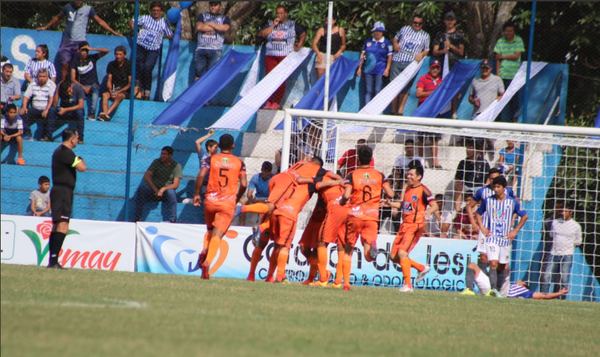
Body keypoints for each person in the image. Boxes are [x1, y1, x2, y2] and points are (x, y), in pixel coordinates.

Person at [339, 145, 395, 290]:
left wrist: (342, 202)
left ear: (358, 159)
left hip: (355, 215)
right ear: (371, 160)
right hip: (372, 217)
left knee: (348, 250)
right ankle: (372, 252)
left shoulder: (352, 175)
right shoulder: (380, 175)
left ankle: (346, 284)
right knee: (367, 255)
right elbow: (390, 194)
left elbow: (346, 195)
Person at [194, 134, 247, 280]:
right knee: (217, 235)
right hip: (227, 203)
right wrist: (236, 197)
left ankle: (205, 248)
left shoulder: (211, 159)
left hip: (210, 201)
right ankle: (207, 262)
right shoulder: (239, 162)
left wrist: (196, 194)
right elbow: (243, 184)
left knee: (210, 230)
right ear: (233, 146)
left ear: (220, 146)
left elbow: (201, 175)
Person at [382, 165, 439, 292]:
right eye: (408, 174)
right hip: (404, 225)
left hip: (415, 226)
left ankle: (408, 285)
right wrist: (390, 204)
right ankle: (421, 267)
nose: (408, 176)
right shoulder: (407, 188)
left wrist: (429, 211)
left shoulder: (424, 190)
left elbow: (435, 205)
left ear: (419, 177)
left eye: (411, 174)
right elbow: (404, 204)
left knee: (402, 253)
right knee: (393, 257)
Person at [37, 1, 122, 81]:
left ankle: (75, 86)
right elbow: (58, 17)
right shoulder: (68, 7)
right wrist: (46, 27)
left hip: (80, 42)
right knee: (65, 64)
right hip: (67, 41)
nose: (78, 2)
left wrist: (113, 32)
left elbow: (100, 21)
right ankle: (63, 85)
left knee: (78, 65)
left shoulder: (88, 9)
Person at [475, 175, 528, 297]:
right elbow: (478, 213)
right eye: (494, 186)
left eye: (498, 187)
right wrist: (482, 227)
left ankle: (497, 289)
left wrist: (515, 230)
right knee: (493, 263)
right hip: (492, 237)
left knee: (502, 265)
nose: (496, 189)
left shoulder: (512, 202)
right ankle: (493, 289)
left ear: (504, 188)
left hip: (505, 238)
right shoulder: (488, 201)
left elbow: (524, 216)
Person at [465, 168, 518, 274]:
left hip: (502, 230)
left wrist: (513, 219)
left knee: (499, 261)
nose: (494, 181)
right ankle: (485, 284)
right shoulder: (482, 191)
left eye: (496, 178)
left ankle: (497, 284)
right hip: (486, 229)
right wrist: (474, 223)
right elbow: (469, 207)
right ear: (489, 178)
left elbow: (517, 205)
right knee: (484, 256)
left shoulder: (507, 191)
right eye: (492, 178)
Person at [47, 128, 87, 268]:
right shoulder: (66, 152)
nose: (77, 140)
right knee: (63, 225)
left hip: (61, 191)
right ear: (72, 139)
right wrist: (80, 158)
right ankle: (53, 261)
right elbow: (82, 167)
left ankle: (52, 261)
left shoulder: (60, 151)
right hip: (63, 192)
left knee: (58, 225)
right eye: (77, 138)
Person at [298, 175, 347, 288]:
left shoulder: (323, 179)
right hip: (321, 217)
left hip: (331, 213)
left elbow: (302, 180)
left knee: (321, 244)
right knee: (304, 248)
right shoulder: (337, 183)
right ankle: (333, 278)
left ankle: (323, 278)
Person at [261, 4, 306, 110]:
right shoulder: (271, 23)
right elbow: (263, 34)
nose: (279, 15)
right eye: (277, 13)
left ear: (286, 14)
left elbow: (303, 34)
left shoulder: (292, 24)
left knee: (281, 79)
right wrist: (273, 26)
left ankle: (276, 102)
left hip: (284, 55)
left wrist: (299, 45)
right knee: (269, 79)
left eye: (281, 13)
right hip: (271, 55)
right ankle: (268, 101)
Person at [130, 2, 173, 100]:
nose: (156, 12)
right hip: (141, 46)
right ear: (151, 11)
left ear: (161, 12)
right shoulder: (146, 18)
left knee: (147, 68)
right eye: (154, 10)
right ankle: (138, 91)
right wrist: (135, 30)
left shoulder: (164, 22)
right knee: (139, 67)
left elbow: (170, 34)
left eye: (158, 10)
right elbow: (132, 21)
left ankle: (147, 92)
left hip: (153, 50)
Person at [391, 14, 430, 116]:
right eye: (415, 22)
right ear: (412, 22)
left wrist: (421, 54)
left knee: (406, 87)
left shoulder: (425, 36)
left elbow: (427, 50)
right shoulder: (405, 29)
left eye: (419, 23)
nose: (417, 25)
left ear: (422, 24)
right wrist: (395, 44)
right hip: (397, 60)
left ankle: (400, 111)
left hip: (411, 64)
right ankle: (393, 111)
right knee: (394, 86)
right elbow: (395, 39)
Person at [540, 202, 582, 294]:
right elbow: (551, 235)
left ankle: (561, 297)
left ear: (571, 212)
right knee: (547, 276)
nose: (562, 213)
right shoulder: (555, 222)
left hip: (567, 255)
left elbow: (578, 242)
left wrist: (568, 247)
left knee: (564, 278)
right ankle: (544, 295)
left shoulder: (576, 226)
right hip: (553, 254)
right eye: (562, 211)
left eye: (565, 211)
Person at [135, 146, 183, 223]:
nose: (162, 155)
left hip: (166, 194)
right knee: (141, 189)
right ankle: (138, 218)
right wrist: (155, 189)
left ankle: (173, 219)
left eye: (165, 154)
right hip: (154, 191)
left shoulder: (176, 166)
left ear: (170, 155)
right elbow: (146, 177)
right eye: (162, 153)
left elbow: (175, 185)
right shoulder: (156, 162)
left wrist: (163, 189)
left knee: (171, 192)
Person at [432, 11, 466, 118]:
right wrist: (442, 51)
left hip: (454, 65)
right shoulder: (440, 35)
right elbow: (434, 51)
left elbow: (461, 52)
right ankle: (439, 110)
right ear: (445, 21)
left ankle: (453, 112)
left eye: (452, 20)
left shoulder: (459, 35)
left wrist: (450, 46)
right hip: (441, 66)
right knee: (440, 87)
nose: (450, 22)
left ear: (455, 21)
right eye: (448, 20)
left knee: (453, 89)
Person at [494, 22, 525, 122]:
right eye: (507, 31)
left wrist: (503, 56)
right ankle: (496, 120)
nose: (508, 33)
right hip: (503, 75)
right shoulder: (500, 41)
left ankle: (514, 121)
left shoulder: (518, 40)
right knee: (499, 98)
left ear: (513, 31)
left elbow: (516, 56)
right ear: (504, 31)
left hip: (514, 75)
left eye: (510, 31)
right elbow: (497, 58)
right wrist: (498, 75)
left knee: (514, 100)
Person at [415, 59, 443, 169]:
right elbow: (418, 93)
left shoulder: (441, 80)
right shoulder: (423, 79)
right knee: (422, 138)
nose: (435, 70)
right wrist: (433, 92)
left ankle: (435, 162)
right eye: (433, 67)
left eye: (437, 68)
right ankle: (420, 162)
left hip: (435, 112)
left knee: (435, 138)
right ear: (429, 68)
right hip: (424, 112)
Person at [70, 41, 109, 121]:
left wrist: (92, 48)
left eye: (86, 50)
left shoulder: (92, 58)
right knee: (74, 90)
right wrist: (83, 87)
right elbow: (72, 79)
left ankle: (92, 113)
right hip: (81, 85)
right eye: (83, 50)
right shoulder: (75, 62)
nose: (85, 52)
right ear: (79, 51)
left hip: (93, 85)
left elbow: (106, 51)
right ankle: (76, 112)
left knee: (95, 90)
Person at [356, 21, 393, 105]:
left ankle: (376, 113)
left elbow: (390, 56)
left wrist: (387, 69)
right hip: (368, 69)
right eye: (376, 31)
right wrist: (359, 67)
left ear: (383, 32)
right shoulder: (368, 42)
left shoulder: (387, 43)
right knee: (368, 91)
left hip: (380, 69)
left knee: (377, 91)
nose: (378, 33)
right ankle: (367, 112)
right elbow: (362, 54)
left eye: (380, 31)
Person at [194, 1, 231, 81]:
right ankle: (198, 92)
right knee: (199, 76)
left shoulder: (224, 18)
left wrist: (210, 23)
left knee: (212, 76)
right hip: (201, 49)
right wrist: (217, 28)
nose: (213, 7)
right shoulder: (202, 16)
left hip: (216, 50)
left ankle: (209, 93)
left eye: (215, 5)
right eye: (211, 5)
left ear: (220, 7)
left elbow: (225, 28)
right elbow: (200, 27)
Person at [453, 140, 490, 215]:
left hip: (479, 186)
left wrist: (486, 185)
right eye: (467, 149)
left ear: (475, 150)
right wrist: (459, 184)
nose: (468, 151)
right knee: (458, 186)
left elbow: (489, 177)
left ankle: (480, 213)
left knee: (484, 192)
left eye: (470, 149)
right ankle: (458, 212)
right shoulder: (463, 162)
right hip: (467, 186)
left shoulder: (483, 162)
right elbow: (458, 178)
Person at [19, 68, 57, 140]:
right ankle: (27, 134)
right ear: (37, 77)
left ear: (47, 77)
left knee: (51, 113)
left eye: (44, 76)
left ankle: (47, 136)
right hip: (35, 109)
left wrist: (47, 109)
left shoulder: (51, 84)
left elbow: (51, 98)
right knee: (23, 113)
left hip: (46, 109)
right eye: (40, 76)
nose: (42, 78)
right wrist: (24, 107)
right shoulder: (33, 84)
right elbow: (26, 96)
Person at [99, 46, 132, 122]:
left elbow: (129, 83)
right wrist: (111, 91)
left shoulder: (129, 65)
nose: (118, 56)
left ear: (125, 55)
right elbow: (109, 80)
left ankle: (106, 113)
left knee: (119, 96)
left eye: (120, 54)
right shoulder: (111, 64)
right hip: (113, 89)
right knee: (105, 95)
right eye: (116, 54)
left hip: (124, 90)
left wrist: (118, 92)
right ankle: (104, 114)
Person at [311, 12, 346, 79]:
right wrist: (318, 54)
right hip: (322, 56)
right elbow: (314, 44)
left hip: (334, 57)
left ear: (335, 20)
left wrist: (339, 52)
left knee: (330, 80)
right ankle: (319, 90)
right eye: (326, 21)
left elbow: (343, 45)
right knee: (320, 80)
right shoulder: (321, 30)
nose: (327, 23)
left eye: (330, 21)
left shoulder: (340, 30)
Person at [239, 161, 274, 226]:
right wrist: (252, 200)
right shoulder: (256, 177)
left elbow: (275, 194)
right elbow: (249, 194)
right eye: (265, 171)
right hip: (257, 198)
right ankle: (242, 224)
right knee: (243, 201)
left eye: (268, 172)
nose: (267, 174)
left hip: (268, 199)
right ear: (262, 170)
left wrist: (266, 201)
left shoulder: (273, 178)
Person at [190, 129, 218, 203]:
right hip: (204, 183)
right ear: (209, 147)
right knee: (206, 201)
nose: (217, 149)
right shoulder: (203, 155)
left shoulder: (217, 158)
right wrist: (209, 135)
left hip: (214, 184)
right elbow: (197, 142)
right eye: (215, 147)